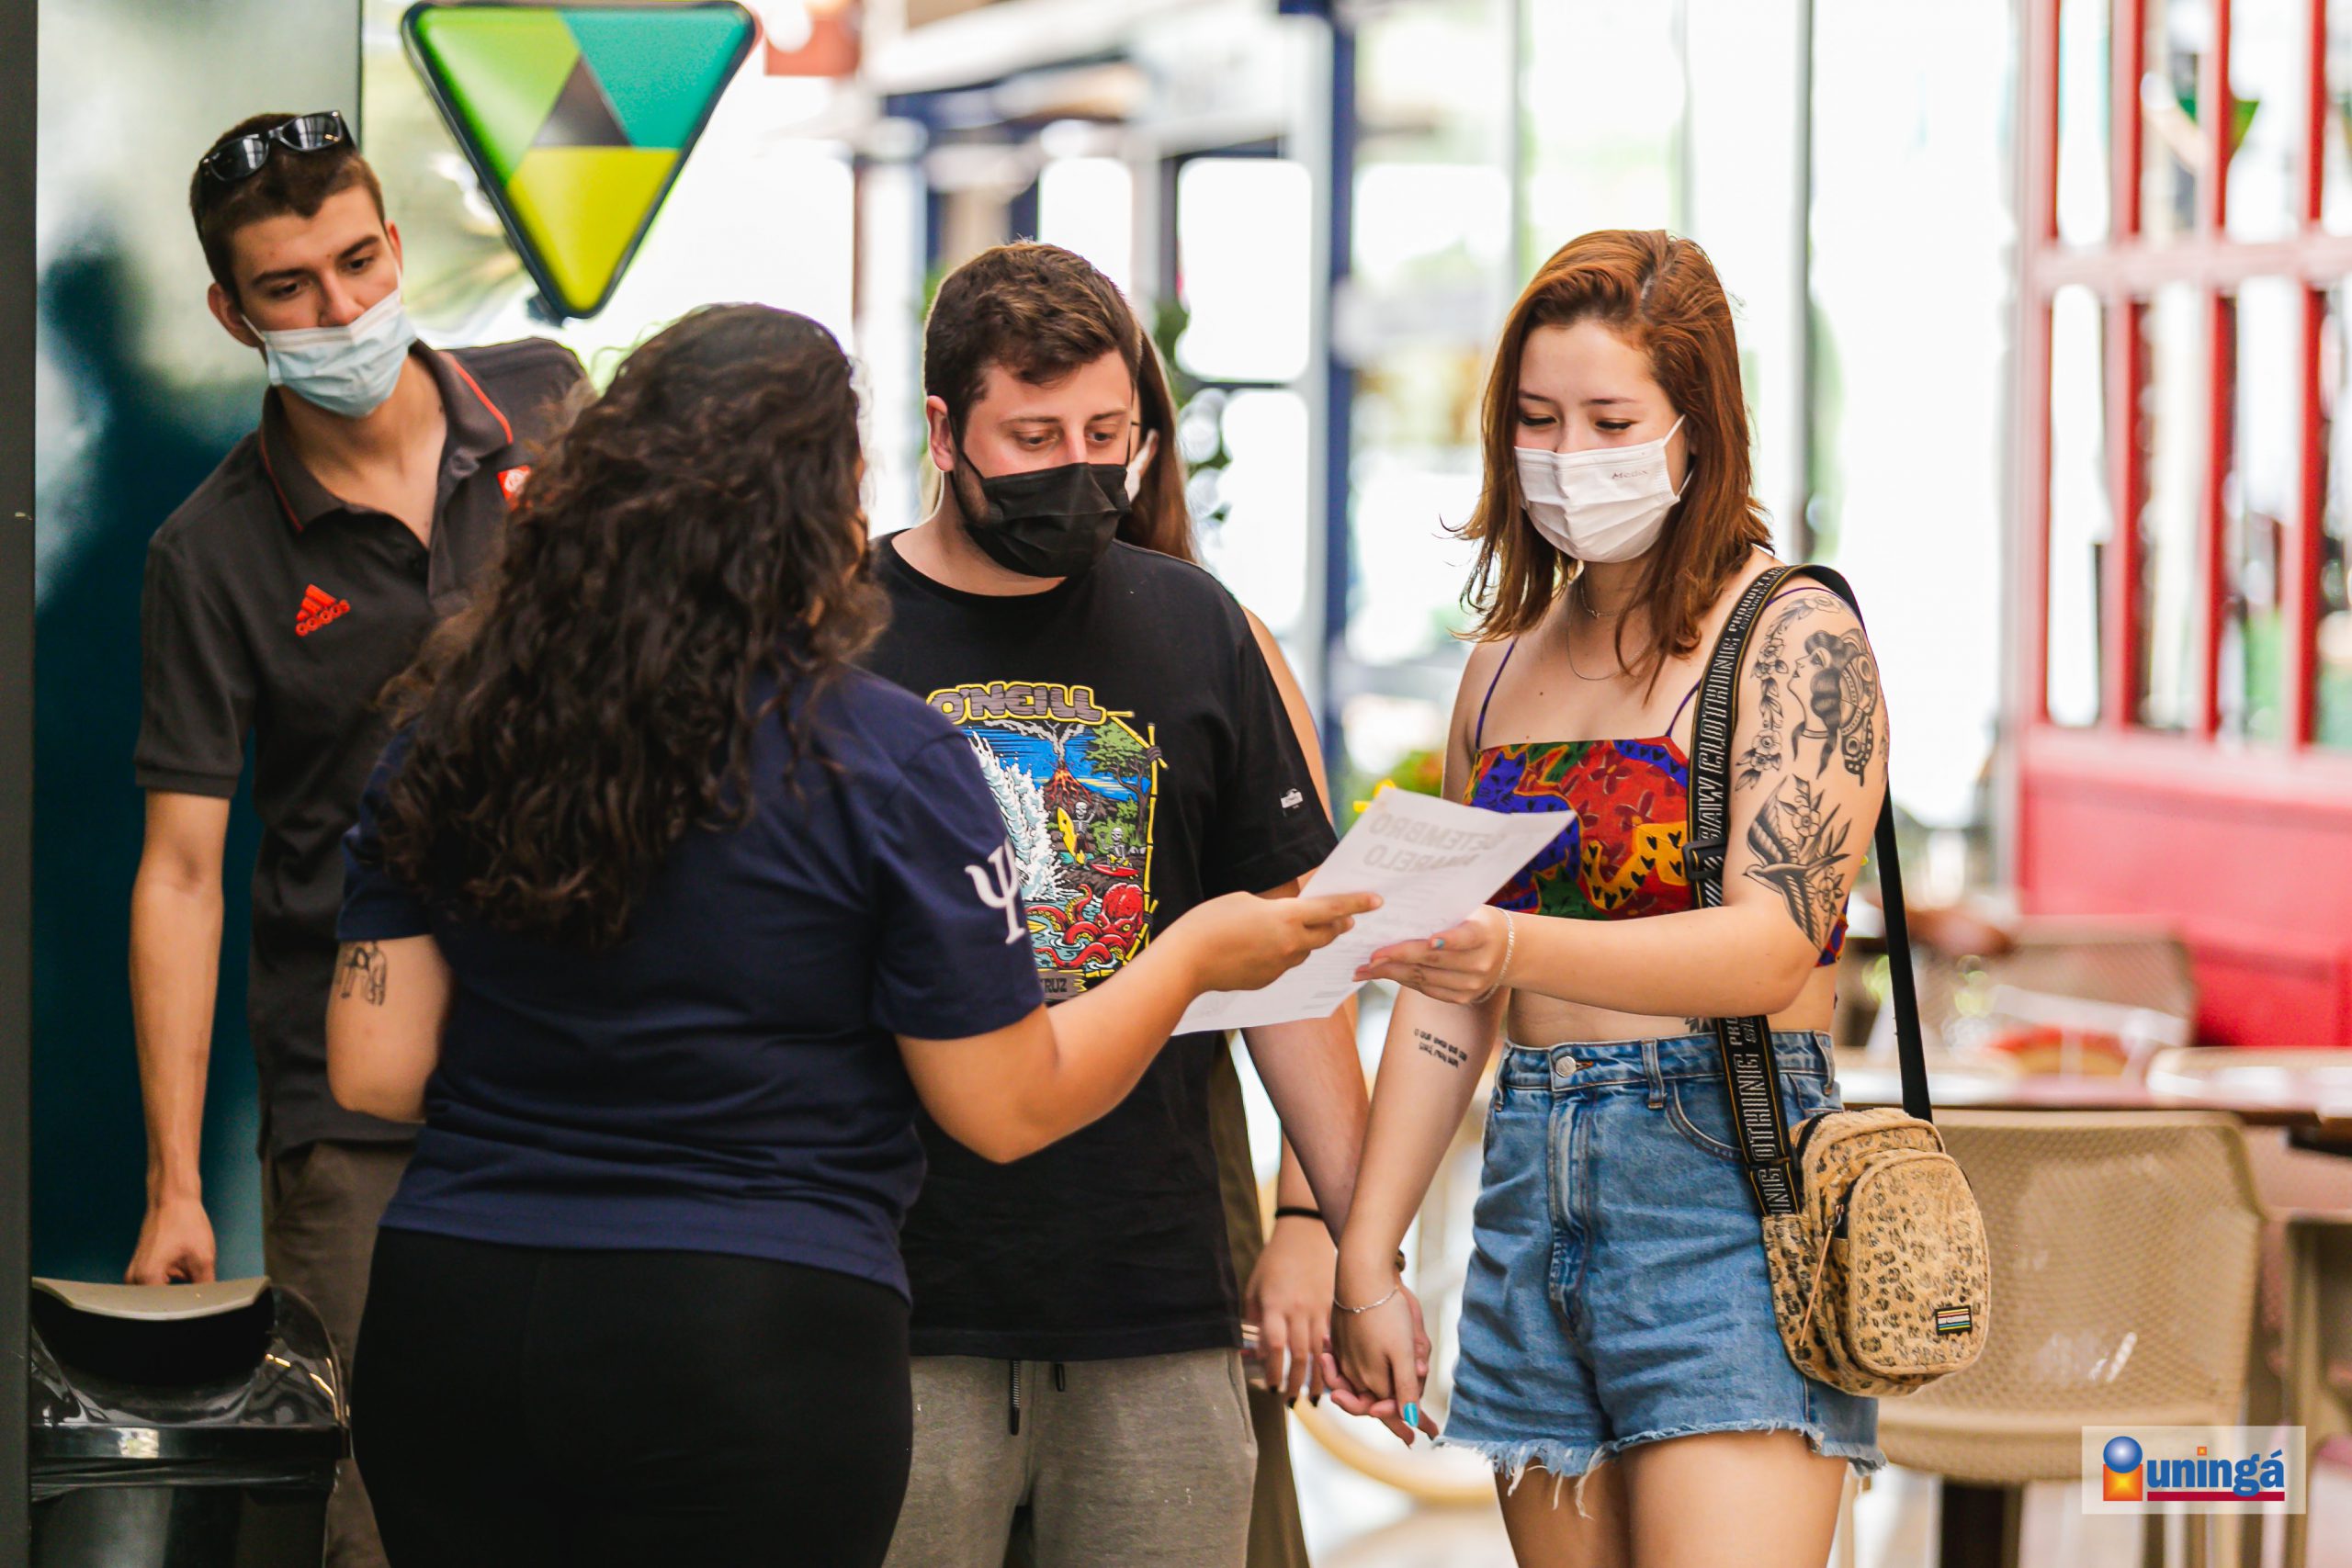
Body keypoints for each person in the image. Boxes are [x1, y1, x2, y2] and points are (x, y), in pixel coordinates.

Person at [322, 303, 1376, 1568]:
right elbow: (1004, 1104)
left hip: (459, 1311)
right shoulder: (880, 755)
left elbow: (374, 1068)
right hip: (746, 1324)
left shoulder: (454, 729)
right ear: (826, 507)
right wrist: (1194, 956)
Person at [1327, 231, 1891, 1568]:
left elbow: (1770, 947)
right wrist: (1368, 1253)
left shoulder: (1795, 636)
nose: (1569, 454)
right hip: (1530, 1189)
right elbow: (1448, 999)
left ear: (1700, 426)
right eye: (1537, 419)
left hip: (1725, 1187)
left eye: (1610, 420)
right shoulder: (1499, 666)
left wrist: (1512, 945)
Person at [869, 243, 1416, 1568]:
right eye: (1034, 436)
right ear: (944, 431)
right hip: (901, 1300)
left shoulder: (1196, 626)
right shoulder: (842, 632)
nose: (1078, 468)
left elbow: (1292, 973)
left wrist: (1359, 1252)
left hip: (1154, 1296)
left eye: (1107, 435)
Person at [128, 110, 582, 1567]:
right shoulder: (211, 551)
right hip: (353, 1115)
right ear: (233, 312)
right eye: (290, 288)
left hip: (588, 1066)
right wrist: (177, 1184)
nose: (340, 310)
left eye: (358, 263)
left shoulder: (552, 410)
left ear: (391, 243)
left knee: (592, 1490)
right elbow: (182, 874)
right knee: (381, 1521)